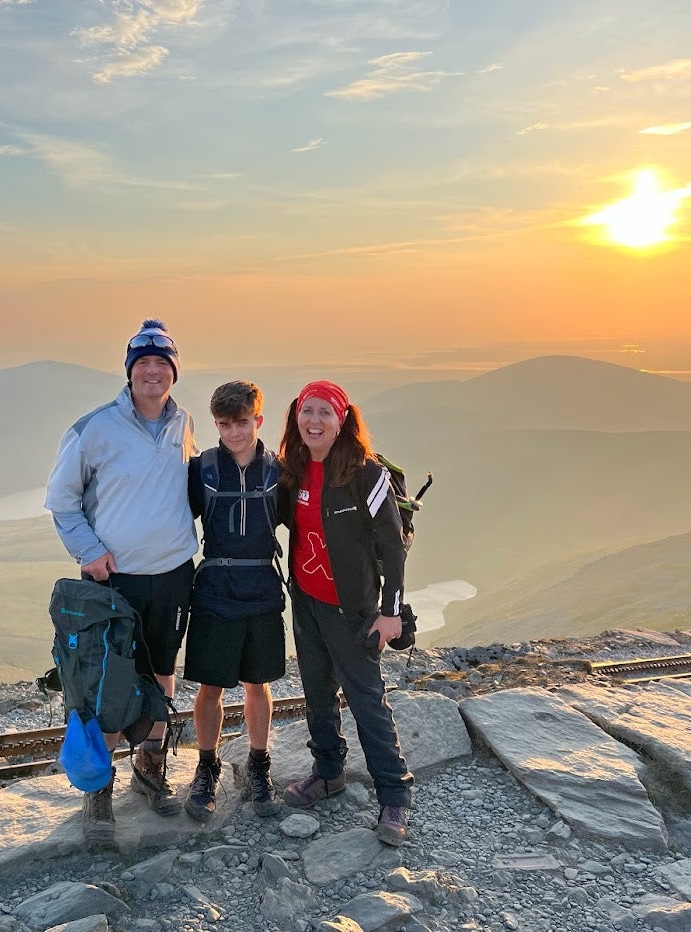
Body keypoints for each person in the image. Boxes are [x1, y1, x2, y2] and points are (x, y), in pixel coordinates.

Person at [45, 318, 198, 843]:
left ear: (173, 373)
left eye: (162, 364)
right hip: (114, 582)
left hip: (174, 574)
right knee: (104, 683)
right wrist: (89, 552)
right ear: (130, 371)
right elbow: (61, 501)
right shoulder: (93, 429)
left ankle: (149, 769)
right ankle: (98, 790)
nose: (153, 372)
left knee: (160, 675)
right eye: (144, 363)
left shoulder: (185, 423)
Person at [276, 379, 414, 846]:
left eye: (324, 413)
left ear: (341, 421)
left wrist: (391, 613)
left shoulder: (364, 474)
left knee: (365, 701)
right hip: (308, 603)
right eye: (307, 411)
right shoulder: (293, 469)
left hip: (351, 610)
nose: (314, 421)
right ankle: (328, 773)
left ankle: (394, 796)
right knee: (316, 693)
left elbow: (392, 546)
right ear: (297, 416)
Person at [182, 380, 286, 822]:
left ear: (258, 420)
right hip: (215, 590)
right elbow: (171, 521)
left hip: (262, 586)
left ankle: (258, 766)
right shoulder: (201, 470)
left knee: (258, 684)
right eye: (224, 425)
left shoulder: (279, 472)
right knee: (210, 687)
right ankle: (207, 767)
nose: (234, 433)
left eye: (242, 423)